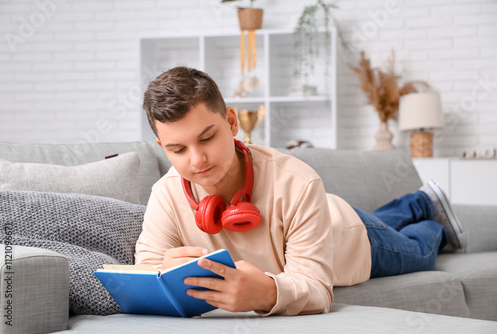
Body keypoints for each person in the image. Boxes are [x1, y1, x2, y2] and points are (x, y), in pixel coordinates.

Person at [135, 66, 467, 316]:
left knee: (418, 251)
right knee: (385, 218)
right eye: (177, 149)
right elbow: (143, 279)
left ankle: (432, 219)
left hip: (346, 235)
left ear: (232, 123)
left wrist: (266, 294)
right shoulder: (165, 195)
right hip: (316, 222)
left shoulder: (297, 181)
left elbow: (318, 291)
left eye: (207, 138)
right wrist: (162, 270)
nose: (197, 160)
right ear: (161, 145)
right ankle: (419, 200)